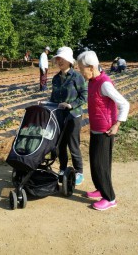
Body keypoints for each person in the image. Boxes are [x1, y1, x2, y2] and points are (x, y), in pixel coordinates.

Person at [77, 51, 130, 211]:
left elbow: (124, 104)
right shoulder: (92, 81)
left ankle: (109, 198)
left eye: (81, 69)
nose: (81, 72)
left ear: (91, 67)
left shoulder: (105, 84)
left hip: (106, 131)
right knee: (95, 163)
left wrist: (117, 125)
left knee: (102, 165)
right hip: (96, 129)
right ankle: (100, 188)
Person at [47, 46, 87, 185]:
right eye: (58, 58)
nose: (59, 61)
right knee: (60, 145)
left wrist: (71, 104)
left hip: (73, 116)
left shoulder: (77, 77)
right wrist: (46, 103)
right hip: (59, 116)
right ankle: (63, 168)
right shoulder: (56, 78)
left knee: (73, 144)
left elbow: (84, 95)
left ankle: (79, 172)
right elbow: (53, 97)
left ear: (69, 61)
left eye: (62, 58)